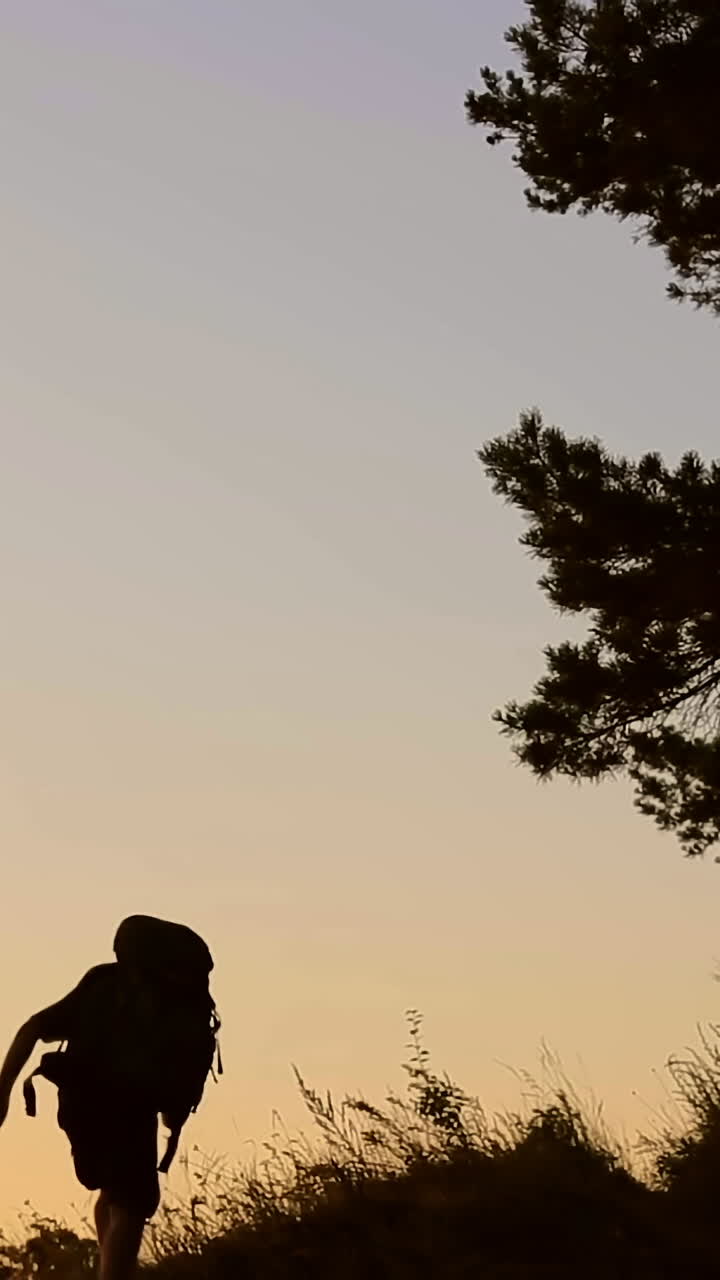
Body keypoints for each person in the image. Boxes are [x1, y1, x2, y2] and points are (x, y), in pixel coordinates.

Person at [0, 916, 220, 1280]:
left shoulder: (102, 982)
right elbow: (183, 1076)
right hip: (127, 1112)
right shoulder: (173, 1003)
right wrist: (173, 1118)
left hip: (78, 1108)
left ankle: (112, 1271)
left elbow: (33, 1027)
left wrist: (4, 1089)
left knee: (113, 1193)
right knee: (132, 1207)